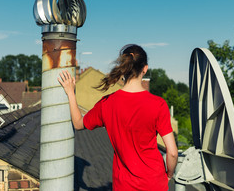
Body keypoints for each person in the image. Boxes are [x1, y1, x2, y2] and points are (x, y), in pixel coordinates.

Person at [58, 44, 178, 190]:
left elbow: (78, 123)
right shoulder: (158, 104)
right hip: (154, 183)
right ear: (145, 69)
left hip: (123, 185)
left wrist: (70, 92)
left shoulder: (107, 103)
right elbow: (172, 153)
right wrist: (169, 175)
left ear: (124, 68)